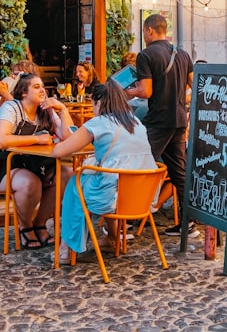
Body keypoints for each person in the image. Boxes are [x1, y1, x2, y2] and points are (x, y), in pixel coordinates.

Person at [52, 81, 156, 263]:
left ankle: (66, 249)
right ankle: (112, 239)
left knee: (75, 186)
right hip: (142, 198)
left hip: (111, 198)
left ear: (99, 102)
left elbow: (59, 152)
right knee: (107, 178)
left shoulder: (98, 123)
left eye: (93, 103)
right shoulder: (136, 122)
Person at [125, 13, 194, 237]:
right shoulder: (182, 54)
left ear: (150, 30)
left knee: (139, 166)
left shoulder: (146, 55)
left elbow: (145, 91)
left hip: (158, 120)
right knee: (179, 172)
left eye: (144, 32)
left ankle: (128, 218)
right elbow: (196, 86)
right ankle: (188, 223)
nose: (144, 36)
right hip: (179, 120)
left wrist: (125, 91)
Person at [0, 73, 74, 249]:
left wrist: (62, 110)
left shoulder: (46, 110)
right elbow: (2, 140)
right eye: (36, 87)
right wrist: (37, 139)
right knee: (29, 182)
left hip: (36, 163)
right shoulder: (12, 107)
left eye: (42, 86)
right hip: (2, 165)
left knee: (66, 174)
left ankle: (40, 223)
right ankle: (25, 226)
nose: (42, 90)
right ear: (23, 93)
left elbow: (69, 136)